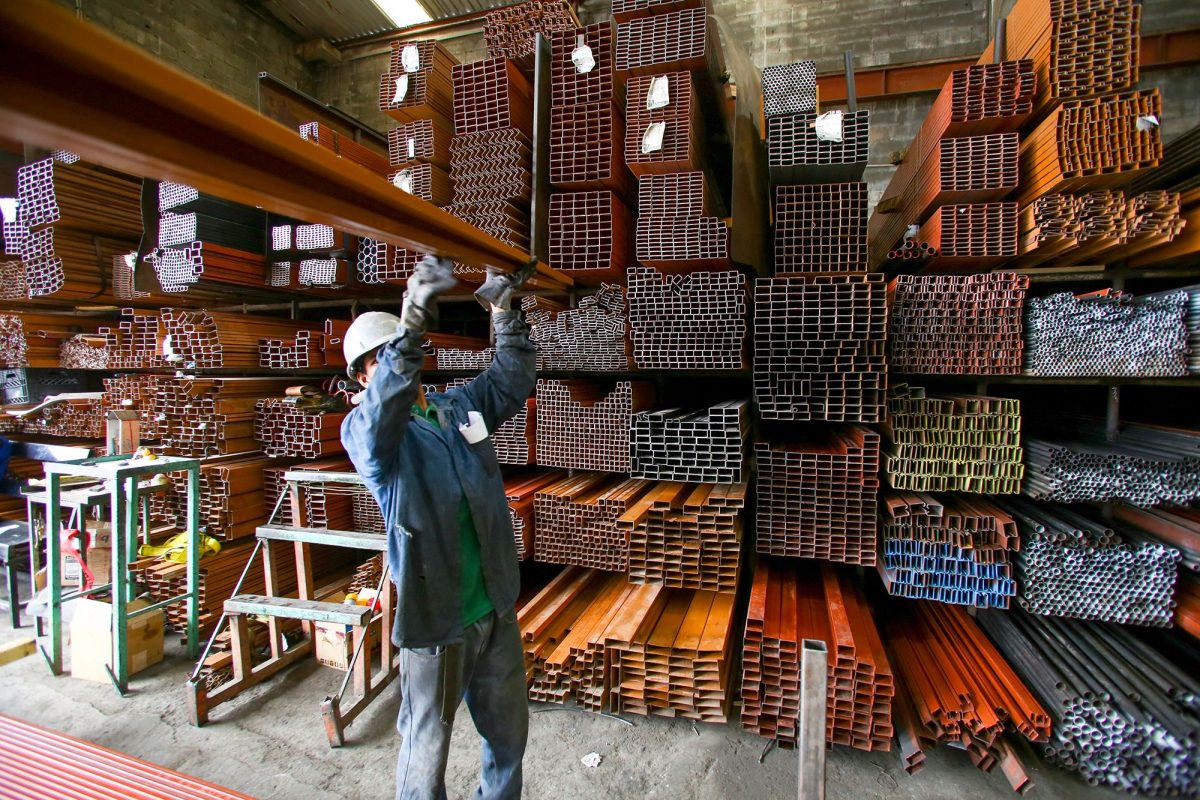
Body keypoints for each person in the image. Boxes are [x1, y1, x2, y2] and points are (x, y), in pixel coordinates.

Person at [340, 256, 537, 800]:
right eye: (380, 359)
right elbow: (385, 408)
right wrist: (408, 322)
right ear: (362, 375)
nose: (397, 363)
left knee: (508, 738)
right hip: (437, 623)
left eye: (401, 353)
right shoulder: (367, 434)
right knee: (425, 751)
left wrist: (503, 311)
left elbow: (511, 378)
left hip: (494, 607)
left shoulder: (456, 409)